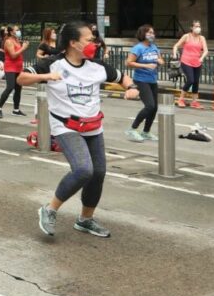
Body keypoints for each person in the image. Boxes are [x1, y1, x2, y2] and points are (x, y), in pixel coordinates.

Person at [19, 21, 139, 239]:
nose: (94, 43)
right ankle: (50, 209)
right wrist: (46, 77)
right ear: (74, 43)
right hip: (65, 126)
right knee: (84, 169)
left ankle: (85, 220)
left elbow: (123, 78)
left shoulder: (98, 66)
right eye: (89, 40)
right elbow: (22, 78)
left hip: (93, 125)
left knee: (98, 173)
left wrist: (131, 88)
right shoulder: (52, 64)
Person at [125, 24, 163, 142]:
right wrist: (145, 65)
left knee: (155, 107)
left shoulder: (154, 47)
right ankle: (132, 129)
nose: (152, 35)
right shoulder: (138, 48)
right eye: (149, 33)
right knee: (149, 106)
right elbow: (128, 63)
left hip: (152, 80)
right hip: (141, 80)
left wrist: (160, 61)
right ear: (143, 34)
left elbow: (161, 60)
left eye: (153, 33)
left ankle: (146, 132)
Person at [0, 24, 30, 118]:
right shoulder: (8, 41)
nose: (19, 31)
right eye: (17, 30)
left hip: (19, 68)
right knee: (10, 87)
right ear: (11, 32)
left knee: (18, 89)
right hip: (10, 68)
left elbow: (19, 54)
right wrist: (23, 48)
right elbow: (13, 55)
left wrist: (23, 46)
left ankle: (16, 110)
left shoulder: (17, 40)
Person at [172, 20, 208, 108]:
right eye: (196, 26)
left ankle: (194, 102)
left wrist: (201, 58)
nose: (198, 28)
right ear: (191, 28)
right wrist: (174, 53)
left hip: (197, 62)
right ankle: (181, 99)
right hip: (186, 61)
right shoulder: (186, 36)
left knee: (196, 81)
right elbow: (176, 46)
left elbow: (206, 50)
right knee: (191, 80)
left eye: (199, 26)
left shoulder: (202, 38)